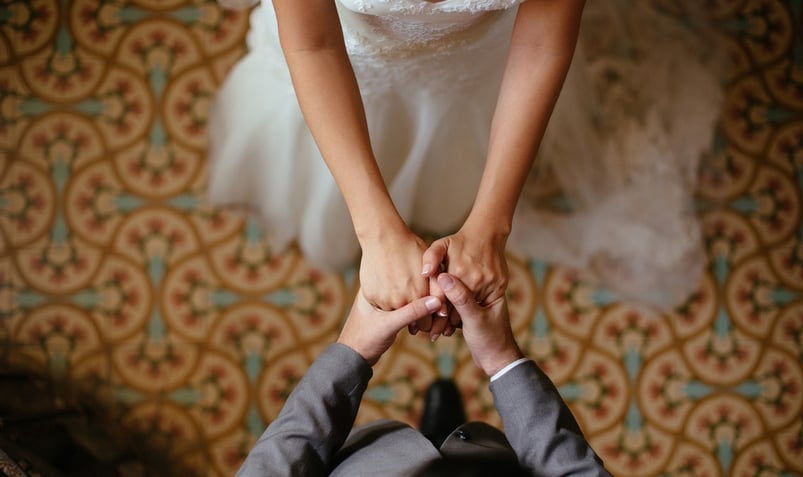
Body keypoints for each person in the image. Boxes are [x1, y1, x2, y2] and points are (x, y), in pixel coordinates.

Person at [209, 0, 723, 317]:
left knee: (455, 146)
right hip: (343, 57)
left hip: (477, 67)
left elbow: (543, 43)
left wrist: (489, 228)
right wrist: (376, 233)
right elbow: (313, 46)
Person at [235, 273, 610, 476]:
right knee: (461, 442)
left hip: (381, 460)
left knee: (437, 435)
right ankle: (449, 431)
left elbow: (276, 467)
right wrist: (502, 360)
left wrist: (353, 350)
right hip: (492, 463)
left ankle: (437, 431)